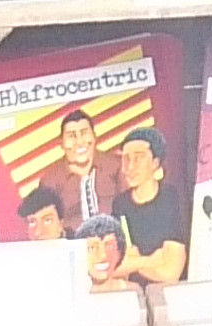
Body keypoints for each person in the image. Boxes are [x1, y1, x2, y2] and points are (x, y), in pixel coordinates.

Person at [109, 129, 192, 284]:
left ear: (155, 162)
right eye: (126, 159)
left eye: (138, 158)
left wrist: (134, 262)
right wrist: (151, 260)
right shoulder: (120, 204)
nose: (130, 167)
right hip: (134, 295)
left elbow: (170, 273)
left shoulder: (171, 197)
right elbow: (113, 268)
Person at [35, 107, 123, 226]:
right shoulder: (50, 180)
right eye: (71, 136)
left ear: (94, 136)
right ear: (61, 143)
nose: (79, 141)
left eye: (84, 133)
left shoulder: (117, 165)